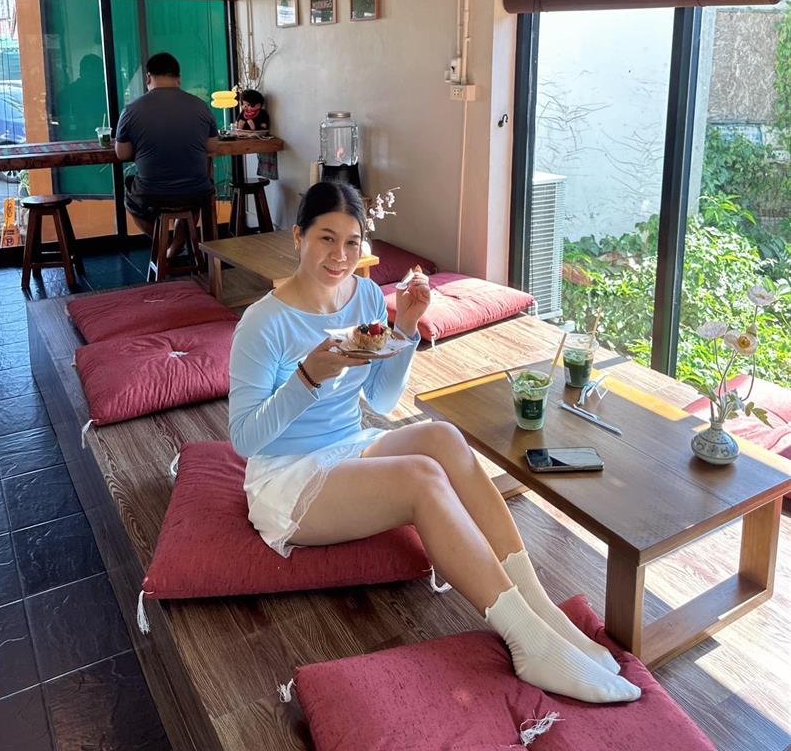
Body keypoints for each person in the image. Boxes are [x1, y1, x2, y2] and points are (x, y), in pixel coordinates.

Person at [228, 182, 640, 704]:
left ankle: (542, 610)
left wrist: (405, 325)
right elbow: (244, 439)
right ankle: (529, 642)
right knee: (421, 477)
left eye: (352, 242)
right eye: (326, 238)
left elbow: (381, 399)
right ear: (298, 237)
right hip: (287, 475)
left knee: (443, 437)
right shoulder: (263, 323)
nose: (340, 256)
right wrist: (307, 377)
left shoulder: (367, 296)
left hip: (349, 444)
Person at [115, 52, 218, 254]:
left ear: (148, 78)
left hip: (152, 193)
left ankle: (164, 242)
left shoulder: (131, 110)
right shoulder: (201, 106)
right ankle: (175, 245)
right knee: (193, 202)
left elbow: (122, 154)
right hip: (195, 191)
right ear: (178, 78)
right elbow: (212, 147)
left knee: (130, 198)